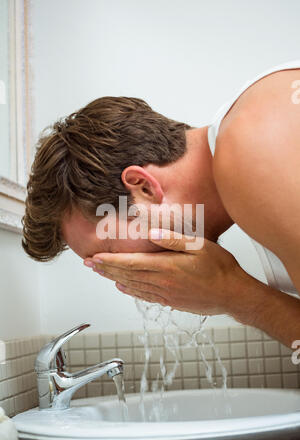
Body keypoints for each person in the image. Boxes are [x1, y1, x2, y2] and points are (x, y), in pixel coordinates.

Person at [22, 60, 300, 347]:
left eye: (111, 252)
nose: (128, 275)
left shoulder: (253, 151)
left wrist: (234, 294)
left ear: (143, 186)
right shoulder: (249, 135)